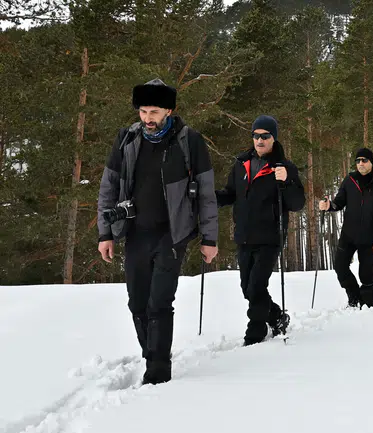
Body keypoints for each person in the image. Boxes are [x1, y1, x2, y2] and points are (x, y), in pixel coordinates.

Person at [97, 79, 219, 385]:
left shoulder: (189, 141)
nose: (148, 118)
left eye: (154, 111)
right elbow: (108, 187)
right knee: (137, 303)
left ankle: (159, 370)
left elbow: (206, 193)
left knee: (159, 303)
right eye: (143, 111)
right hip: (136, 231)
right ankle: (152, 353)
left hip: (172, 234)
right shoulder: (127, 139)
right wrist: (105, 233)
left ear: (169, 110)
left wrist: (209, 237)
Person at [216, 115, 305, 346]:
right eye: (256, 135)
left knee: (257, 285)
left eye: (265, 136)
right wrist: (209, 198)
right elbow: (230, 193)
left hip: (270, 236)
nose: (259, 140)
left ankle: (255, 332)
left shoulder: (284, 167)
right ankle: (276, 317)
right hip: (244, 235)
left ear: (273, 138)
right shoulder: (241, 163)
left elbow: (297, 204)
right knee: (247, 288)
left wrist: (286, 182)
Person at [319, 148, 373, 308]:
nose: (360, 163)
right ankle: (354, 297)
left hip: (370, 238)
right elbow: (339, 202)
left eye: (364, 160)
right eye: (358, 160)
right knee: (340, 267)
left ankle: (367, 308)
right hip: (349, 235)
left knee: (366, 276)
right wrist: (328, 205)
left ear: (371, 162)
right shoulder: (350, 180)